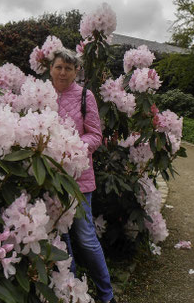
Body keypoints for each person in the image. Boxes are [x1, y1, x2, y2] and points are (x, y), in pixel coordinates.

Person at [49, 49, 116, 303]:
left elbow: (95, 135)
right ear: (50, 69)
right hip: (49, 177)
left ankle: (106, 294)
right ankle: (71, 290)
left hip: (79, 178)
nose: (63, 72)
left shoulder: (85, 96)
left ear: (77, 71)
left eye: (68, 68)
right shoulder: (42, 95)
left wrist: (71, 146)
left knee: (85, 237)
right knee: (61, 237)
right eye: (59, 67)